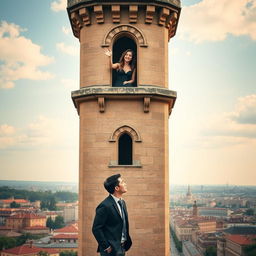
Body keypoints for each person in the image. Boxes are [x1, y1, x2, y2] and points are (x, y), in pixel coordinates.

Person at [92, 174, 132, 256]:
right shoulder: (105, 206)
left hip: (122, 248)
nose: (125, 184)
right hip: (110, 251)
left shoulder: (122, 202)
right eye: (122, 182)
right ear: (116, 188)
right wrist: (106, 247)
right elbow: (96, 228)